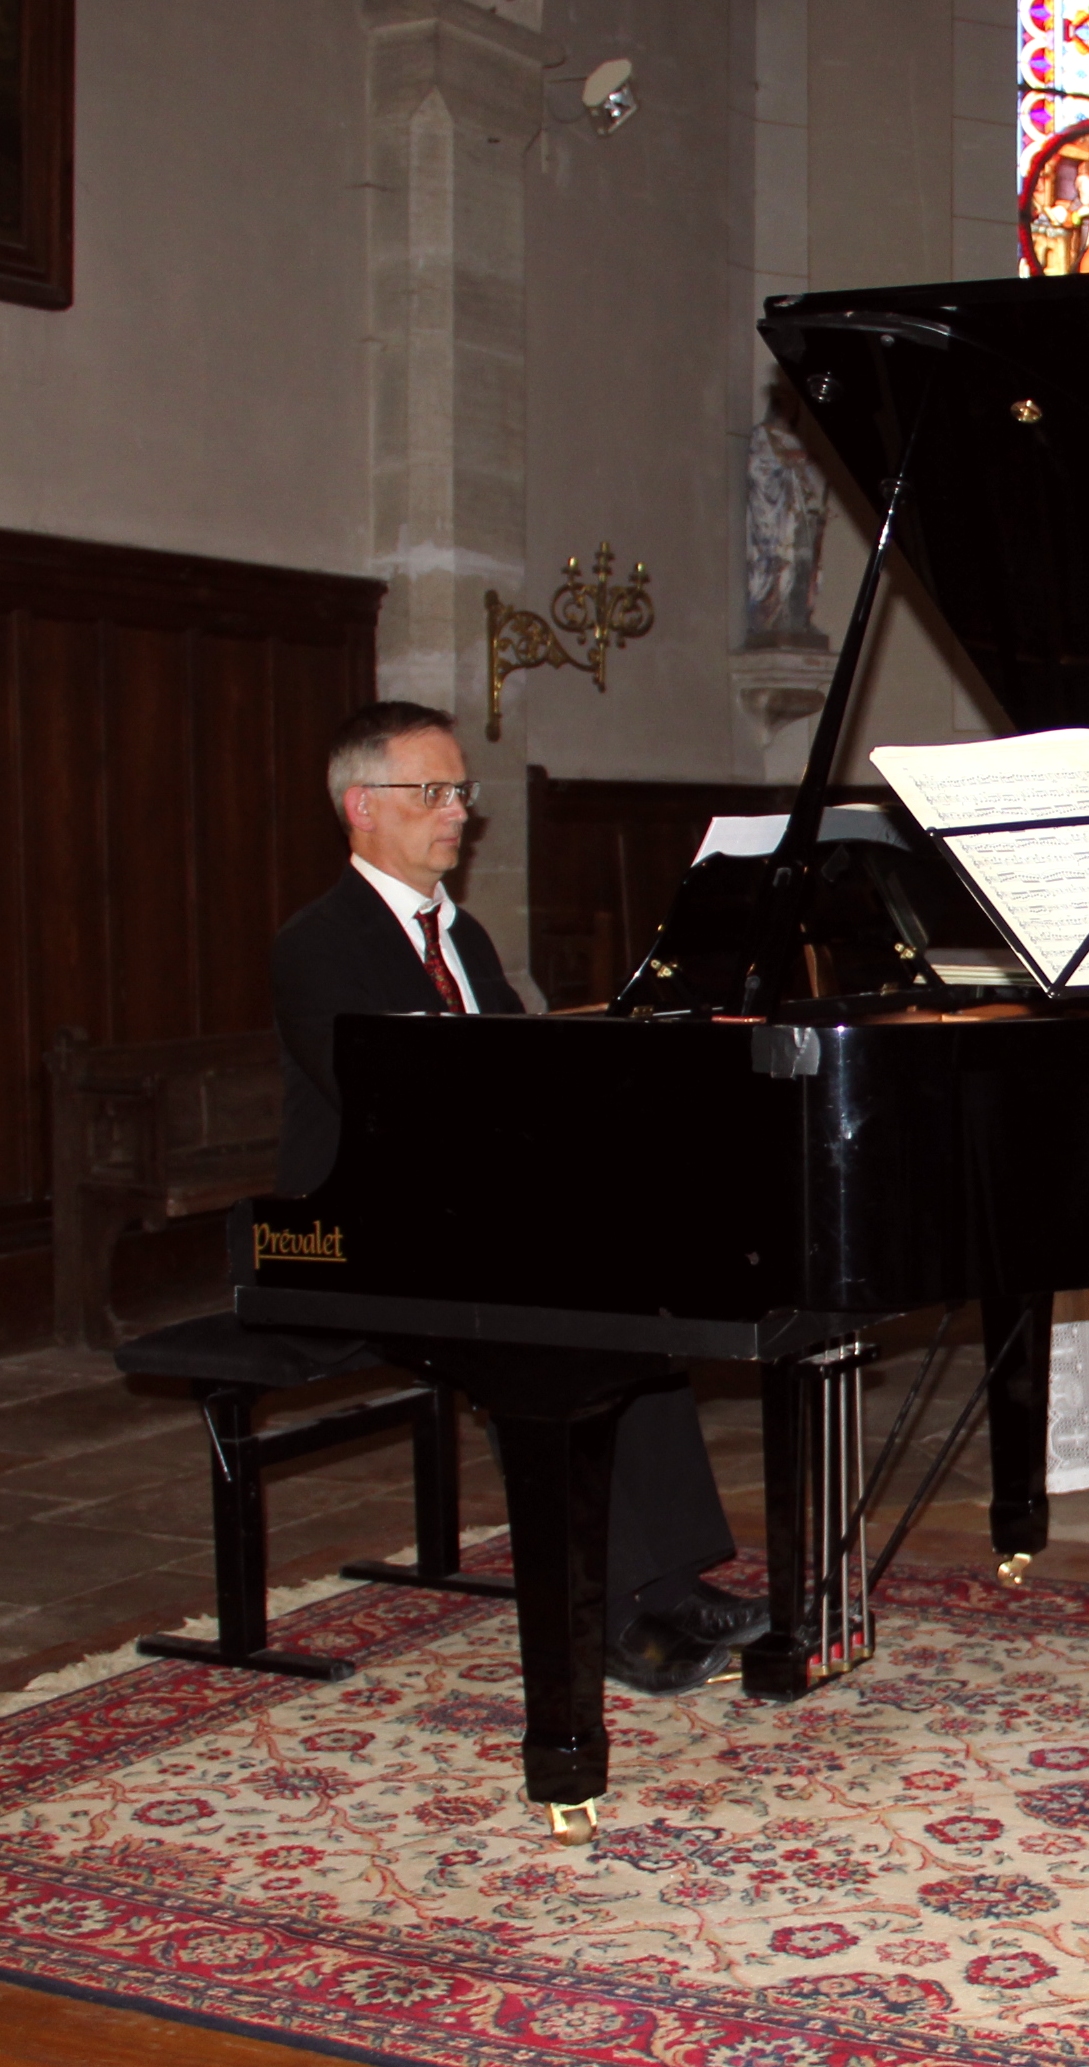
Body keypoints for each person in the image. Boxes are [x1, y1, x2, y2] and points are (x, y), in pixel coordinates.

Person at [272, 700, 770, 1697]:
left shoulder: (463, 933)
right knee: (549, 1328)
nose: (456, 811)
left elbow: (515, 1076)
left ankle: (668, 1576)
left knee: (648, 1288)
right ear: (361, 807)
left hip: (464, 1203)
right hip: (350, 1220)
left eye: (461, 791)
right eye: (433, 792)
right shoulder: (318, 942)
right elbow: (378, 1101)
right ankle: (608, 1608)